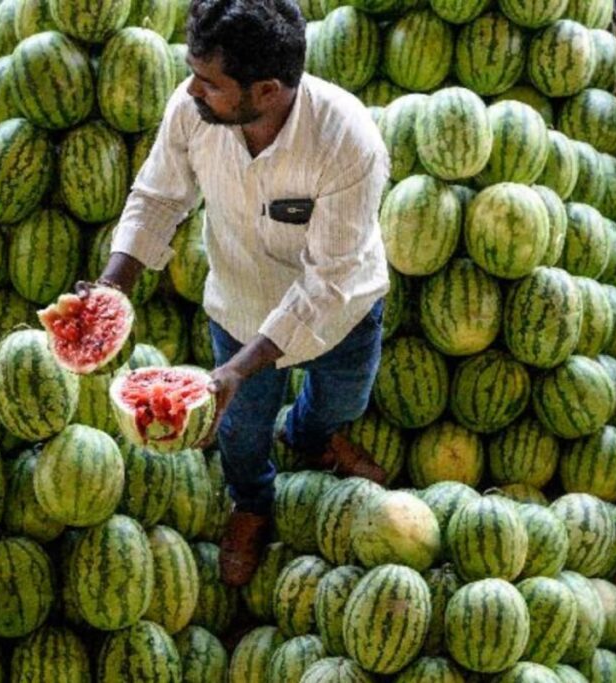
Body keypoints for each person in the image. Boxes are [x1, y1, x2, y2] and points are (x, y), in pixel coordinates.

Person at [88, 0, 391, 587]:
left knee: (341, 400)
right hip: (240, 303)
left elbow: (329, 282)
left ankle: (312, 435)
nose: (191, 91)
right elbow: (158, 197)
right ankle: (251, 501)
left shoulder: (347, 141)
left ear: (268, 90)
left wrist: (237, 370)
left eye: (210, 82)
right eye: (193, 74)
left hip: (341, 312)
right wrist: (111, 289)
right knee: (241, 432)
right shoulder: (193, 110)